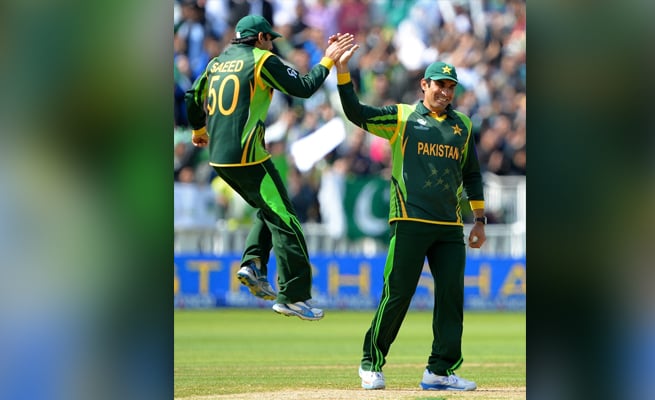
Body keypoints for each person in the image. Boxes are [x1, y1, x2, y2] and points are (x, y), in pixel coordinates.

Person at [334, 46, 487, 391]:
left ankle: (439, 371)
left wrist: (479, 219)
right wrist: (343, 73)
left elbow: (472, 175)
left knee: (451, 297)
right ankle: (370, 362)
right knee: (398, 293)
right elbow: (356, 112)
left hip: (449, 226)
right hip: (409, 219)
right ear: (424, 84)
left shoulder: (462, 125)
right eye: (439, 85)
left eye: (451, 87)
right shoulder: (402, 117)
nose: (445, 93)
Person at [184, 14, 356, 321]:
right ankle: (293, 296)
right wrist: (328, 61)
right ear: (261, 38)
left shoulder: (217, 62)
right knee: (287, 221)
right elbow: (303, 88)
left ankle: (253, 263)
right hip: (248, 156)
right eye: (270, 40)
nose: (272, 45)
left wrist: (199, 131)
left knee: (271, 208)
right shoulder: (262, 60)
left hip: (219, 158)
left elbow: (193, 96)